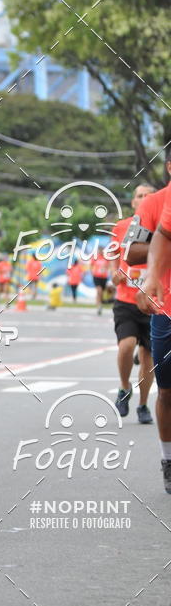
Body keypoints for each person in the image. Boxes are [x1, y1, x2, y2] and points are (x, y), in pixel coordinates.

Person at [132, 150, 171, 492]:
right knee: (168, 392)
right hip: (166, 309)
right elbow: (132, 251)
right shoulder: (154, 204)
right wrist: (154, 273)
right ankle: (168, 459)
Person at [109, 184, 155, 422]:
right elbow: (114, 256)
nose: (144, 199)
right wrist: (115, 274)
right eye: (140, 196)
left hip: (154, 302)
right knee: (126, 346)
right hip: (126, 300)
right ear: (133, 202)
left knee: (148, 357)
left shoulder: (162, 227)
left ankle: (143, 405)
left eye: (149, 196)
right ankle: (124, 387)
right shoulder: (121, 227)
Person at [90, 248, 109, 314]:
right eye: (99, 250)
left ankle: (100, 303)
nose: (101, 251)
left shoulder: (106, 258)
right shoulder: (95, 257)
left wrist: (106, 270)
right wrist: (92, 272)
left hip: (104, 277)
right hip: (96, 276)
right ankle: (99, 306)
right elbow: (91, 265)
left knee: (101, 293)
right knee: (99, 290)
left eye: (102, 250)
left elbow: (109, 266)